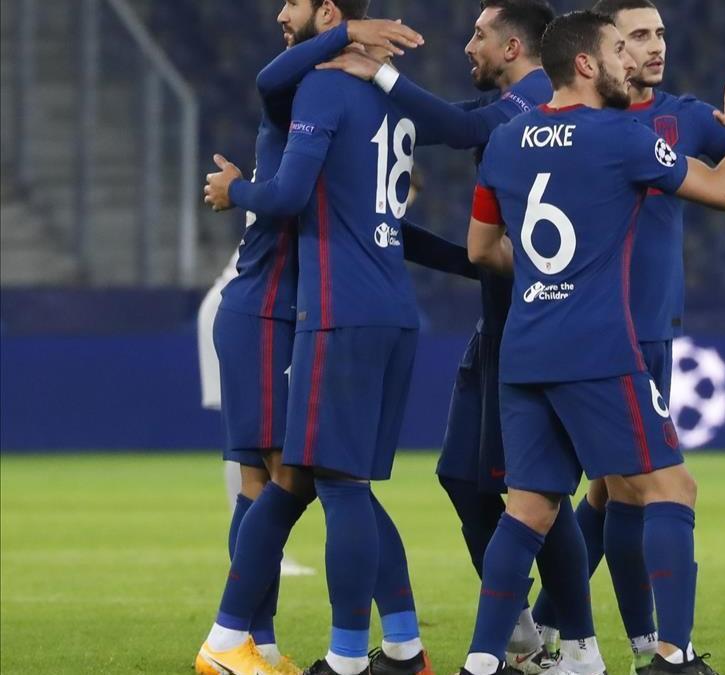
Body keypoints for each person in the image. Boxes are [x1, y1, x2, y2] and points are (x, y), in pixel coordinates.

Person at [460, 10, 725, 675]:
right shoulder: (623, 136)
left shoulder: (506, 141)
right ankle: (671, 654)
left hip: (526, 347)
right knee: (674, 489)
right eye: (619, 50)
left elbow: (481, 247)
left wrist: (550, 277)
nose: (631, 63)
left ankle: (481, 660)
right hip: (599, 349)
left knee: (527, 508)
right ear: (586, 64)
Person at [318, 3, 565, 671]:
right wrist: (386, 231)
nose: (468, 46)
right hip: (498, 322)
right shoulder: (515, 103)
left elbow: (455, 127)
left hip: (532, 327)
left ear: (514, 45)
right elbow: (474, 234)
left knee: (534, 488)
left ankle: (563, 637)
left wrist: (376, 74)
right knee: (464, 475)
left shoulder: (539, 97)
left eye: (479, 35)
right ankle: (526, 624)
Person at [197, 1, 443, 673]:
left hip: (295, 307)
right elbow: (268, 84)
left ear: (327, 8)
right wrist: (347, 35)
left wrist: (470, 259)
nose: (280, 12)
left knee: (326, 482)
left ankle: (394, 643)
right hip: (264, 307)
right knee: (274, 482)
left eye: (294, 3)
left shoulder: (331, 97)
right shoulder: (298, 93)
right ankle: (248, 643)